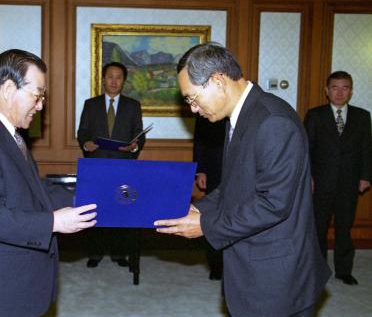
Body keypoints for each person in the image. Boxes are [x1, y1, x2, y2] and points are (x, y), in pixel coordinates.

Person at [154, 42, 330, 317]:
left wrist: (205, 225)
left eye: (191, 98)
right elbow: (235, 185)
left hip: (277, 279)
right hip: (254, 266)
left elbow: (273, 204)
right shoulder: (241, 116)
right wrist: (199, 209)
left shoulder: (273, 122)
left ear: (217, 81)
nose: (192, 109)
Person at [0, 49, 97, 317]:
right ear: (7, 88)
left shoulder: (4, 131)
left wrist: (87, 195)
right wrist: (53, 222)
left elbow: (30, 190)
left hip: (12, 286)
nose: (40, 106)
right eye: (37, 95)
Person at [304, 71, 371, 286]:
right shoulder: (315, 115)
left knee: (344, 228)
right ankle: (318, 268)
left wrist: (365, 177)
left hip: (349, 183)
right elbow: (306, 150)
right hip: (320, 183)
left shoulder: (362, 116)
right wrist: (309, 177)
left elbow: (366, 149)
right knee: (318, 228)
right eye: (335, 87)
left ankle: (344, 270)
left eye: (345, 88)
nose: (340, 92)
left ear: (351, 91)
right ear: (326, 90)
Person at [77, 61, 145, 268]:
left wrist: (133, 146)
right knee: (95, 210)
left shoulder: (133, 106)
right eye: (110, 77)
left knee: (120, 210)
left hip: (123, 166)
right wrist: (86, 143)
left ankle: (118, 253)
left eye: (119, 77)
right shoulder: (91, 104)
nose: (114, 81)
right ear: (103, 79)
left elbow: (138, 136)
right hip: (96, 166)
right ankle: (95, 253)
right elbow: (83, 132)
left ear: (124, 81)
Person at [193, 116, 226, 280]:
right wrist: (200, 170)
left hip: (239, 170)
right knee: (213, 216)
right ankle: (216, 265)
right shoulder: (204, 109)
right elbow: (199, 140)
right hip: (213, 170)